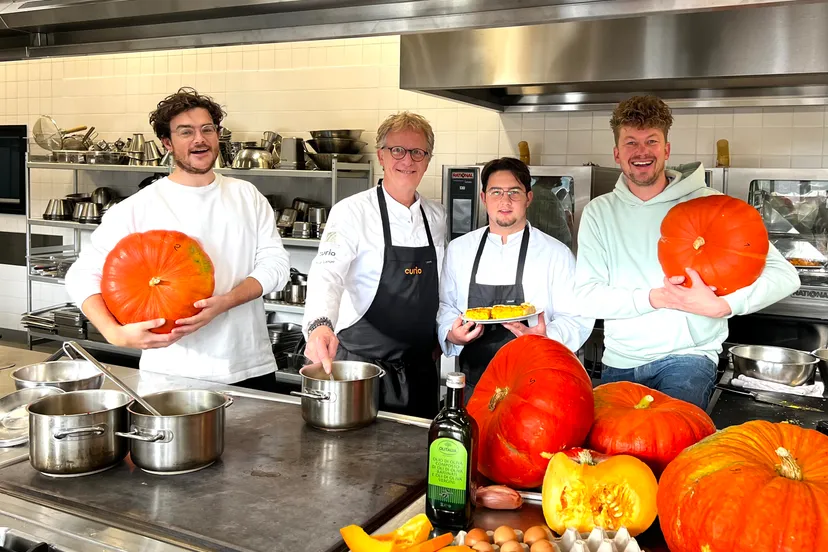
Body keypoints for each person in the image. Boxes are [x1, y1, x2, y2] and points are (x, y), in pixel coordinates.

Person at [574, 95, 800, 409]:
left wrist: (724, 306)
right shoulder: (599, 212)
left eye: (651, 141)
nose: (642, 152)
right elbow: (586, 295)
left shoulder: (709, 203)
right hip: (621, 359)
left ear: (666, 149)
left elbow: (785, 275)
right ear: (616, 153)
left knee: (677, 447)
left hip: (688, 358)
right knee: (612, 453)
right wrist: (654, 298)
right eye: (631, 143)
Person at [65, 87, 290, 389]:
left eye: (207, 129)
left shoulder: (246, 195)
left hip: (248, 364)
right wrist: (114, 333)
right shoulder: (137, 207)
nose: (200, 139)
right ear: (167, 143)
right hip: (171, 372)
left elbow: (276, 265)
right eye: (186, 132)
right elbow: (81, 275)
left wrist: (225, 302)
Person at [302, 112, 447, 418]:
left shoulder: (436, 216)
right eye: (398, 150)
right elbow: (327, 274)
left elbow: (442, 284)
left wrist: (440, 332)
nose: (407, 160)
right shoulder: (351, 213)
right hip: (362, 369)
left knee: (417, 456)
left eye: (417, 152)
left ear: (428, 159)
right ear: (381, 155)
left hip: (421, 370)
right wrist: (319, 326)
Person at [438, 157, 593, 397]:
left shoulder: (555, 253)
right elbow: (446, 306)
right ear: (483, 198)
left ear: (529, 198)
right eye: (496, 192)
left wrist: (546, 337)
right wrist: (451, 333)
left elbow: (577, 317)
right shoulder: (459, 250)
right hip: (473, 387)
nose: (505, 201)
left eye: (514, 192)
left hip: (535, 389)